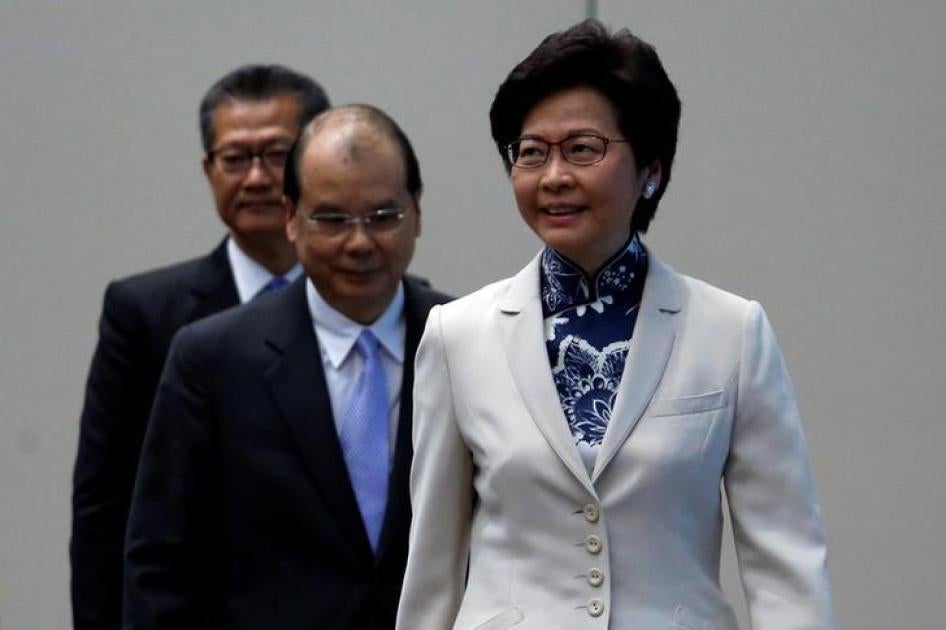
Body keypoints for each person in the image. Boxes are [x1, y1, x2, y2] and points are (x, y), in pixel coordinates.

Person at [396, 20, 837, 630]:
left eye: (583, 149)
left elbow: (785, 564)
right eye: (531, 152)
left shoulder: (732, 333)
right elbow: (433, 571)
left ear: (651, 169)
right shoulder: (456, 336)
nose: (553, 176)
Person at [122, 104, 451, 629]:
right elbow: (162, 562)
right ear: (291, 219)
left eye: (383, 216)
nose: (360, 242)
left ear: (417, 209)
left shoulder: (465, 342)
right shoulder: (212, 358)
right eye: (332, 219)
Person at [69, 64, 329, 630]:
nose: (257, 178)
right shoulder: (145, 313)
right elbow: (103, 507)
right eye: (235, 159)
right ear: (208, 170)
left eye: (277, 155)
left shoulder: (376, 309)